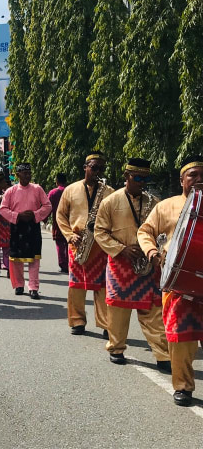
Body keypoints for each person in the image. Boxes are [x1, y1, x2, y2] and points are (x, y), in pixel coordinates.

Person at [138, 155, 203, 407]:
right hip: (178, 285)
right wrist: (152, 252)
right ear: (181, 180)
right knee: (181, 339)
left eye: (202, 175)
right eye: (192, 175)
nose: (198, 180)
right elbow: (145, 231)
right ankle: (183, 387)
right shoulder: (166, 206)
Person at [93, 159, 170, 369]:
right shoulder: (110, 201)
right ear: (126, 176)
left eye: (146, 179)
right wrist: (122, 249)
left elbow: (163, 231)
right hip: (120, 263)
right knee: (118, 309)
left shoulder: (154, 202)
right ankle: (116, 348)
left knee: (153, 310)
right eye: (137, 178)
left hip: (147, 262)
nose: (142, 183)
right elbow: (99, 231)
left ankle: (163, 355)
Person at [56, 152, 114, 336]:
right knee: (76, 285)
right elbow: (60, 215)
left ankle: (106, 324)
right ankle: (77, 321)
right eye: (94, 167)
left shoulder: (109, 192)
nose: (97, 171)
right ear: (85, 168)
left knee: (103, 286)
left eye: (101, 168)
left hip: (100, 245)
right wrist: (68, 235)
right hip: (77, 243)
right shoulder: (70, 190)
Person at [0, 163, 52, 299]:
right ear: (18, 175)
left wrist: (35, 214)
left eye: (29, 173)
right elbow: (3, 209)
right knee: (16, 259)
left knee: (34, 259)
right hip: (17, 226)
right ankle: (19, 285)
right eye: (25, 173)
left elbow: (47, 205)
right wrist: (17, 216)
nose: (28, 176)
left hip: (32, 226)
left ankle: (33, 287)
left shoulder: (37, 188)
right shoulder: (11, 191)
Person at [48, 173, 68, 273]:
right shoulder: (71, 191)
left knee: (60, 244)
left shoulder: (53, 193)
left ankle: (63, 264)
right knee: (70, 243)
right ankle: (70, 263)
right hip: (71, 222)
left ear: (57, 181)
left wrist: (43, 219)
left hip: (58, 222)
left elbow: (47, 208)